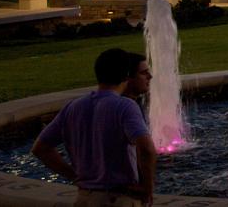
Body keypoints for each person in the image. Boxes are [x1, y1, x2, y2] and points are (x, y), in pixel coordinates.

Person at [32, 48, 157, 206]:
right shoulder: (125, 106)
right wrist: (147, 188)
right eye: (144, 72)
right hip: (117, 199)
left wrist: (75, 176)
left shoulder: (73, 106)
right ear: (127, 75)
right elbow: (146, 149)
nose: (150, 77)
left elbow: (40, 148)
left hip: (84, 198)